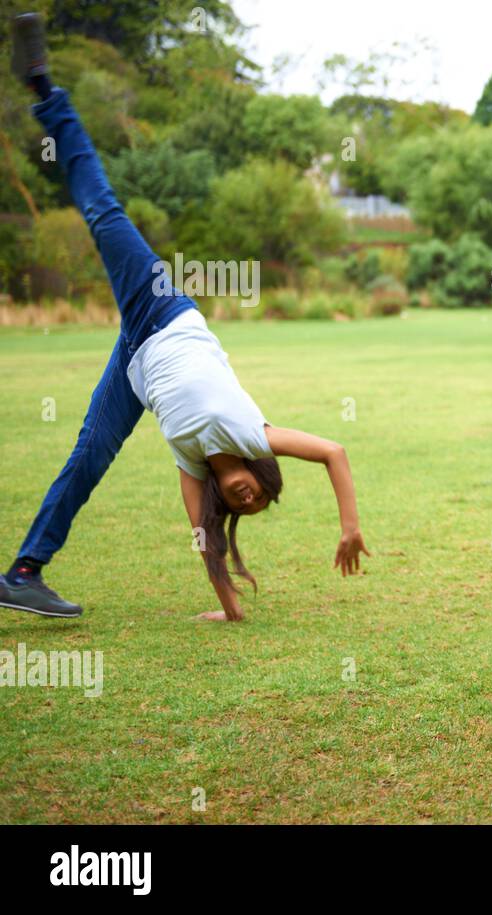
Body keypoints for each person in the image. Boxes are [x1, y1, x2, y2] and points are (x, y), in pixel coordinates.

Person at [0, 13, 371, 622]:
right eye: (259, 492)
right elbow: (334, 451)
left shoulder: (192, 469)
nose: (250, 499)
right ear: (258, 469)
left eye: (244, 508)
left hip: (136, 363)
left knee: (87, 460)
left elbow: (207, 546)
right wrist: (349, 528)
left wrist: (230, 609)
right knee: (103, 214)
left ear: (227, 503)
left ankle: (22, 572)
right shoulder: (252, 435)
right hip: (162, 310)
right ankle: (45, 89)